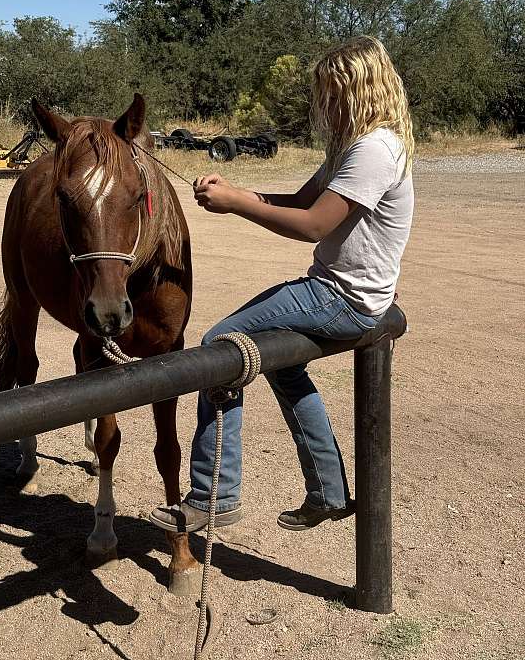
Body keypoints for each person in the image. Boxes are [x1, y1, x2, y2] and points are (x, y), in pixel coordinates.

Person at [150, 35, 414, 533]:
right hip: (349, 293)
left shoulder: (374, 149)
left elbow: (313, 224)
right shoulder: (356, 147)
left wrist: (236, 204)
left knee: (219, 346)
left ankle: (214, 495)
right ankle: (330, 490)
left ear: (357, 90)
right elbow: (299, 198)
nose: (323, 106)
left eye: (330, 94)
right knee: (282, 367)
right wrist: (235, 192)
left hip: (341, 297)